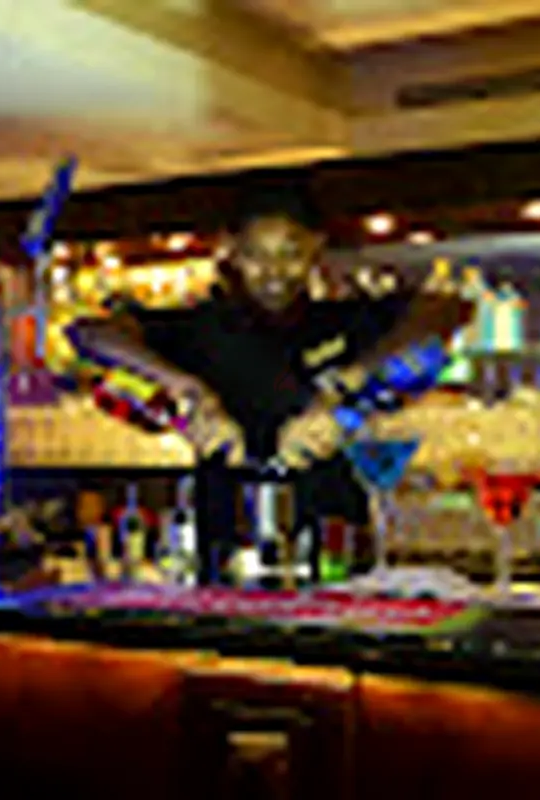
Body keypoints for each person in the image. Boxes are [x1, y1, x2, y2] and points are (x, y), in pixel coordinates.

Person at [66, 179, 471, 584]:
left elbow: (448, 310)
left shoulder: (345, 321)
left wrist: (347, 384)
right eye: (255, 256)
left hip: (339, 552)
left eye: (291, 254)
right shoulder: (200, 330)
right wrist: (190, 391)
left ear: (316, 246)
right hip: (227, 553)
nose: (274, 272)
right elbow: (89, 334)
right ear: (232, 250)